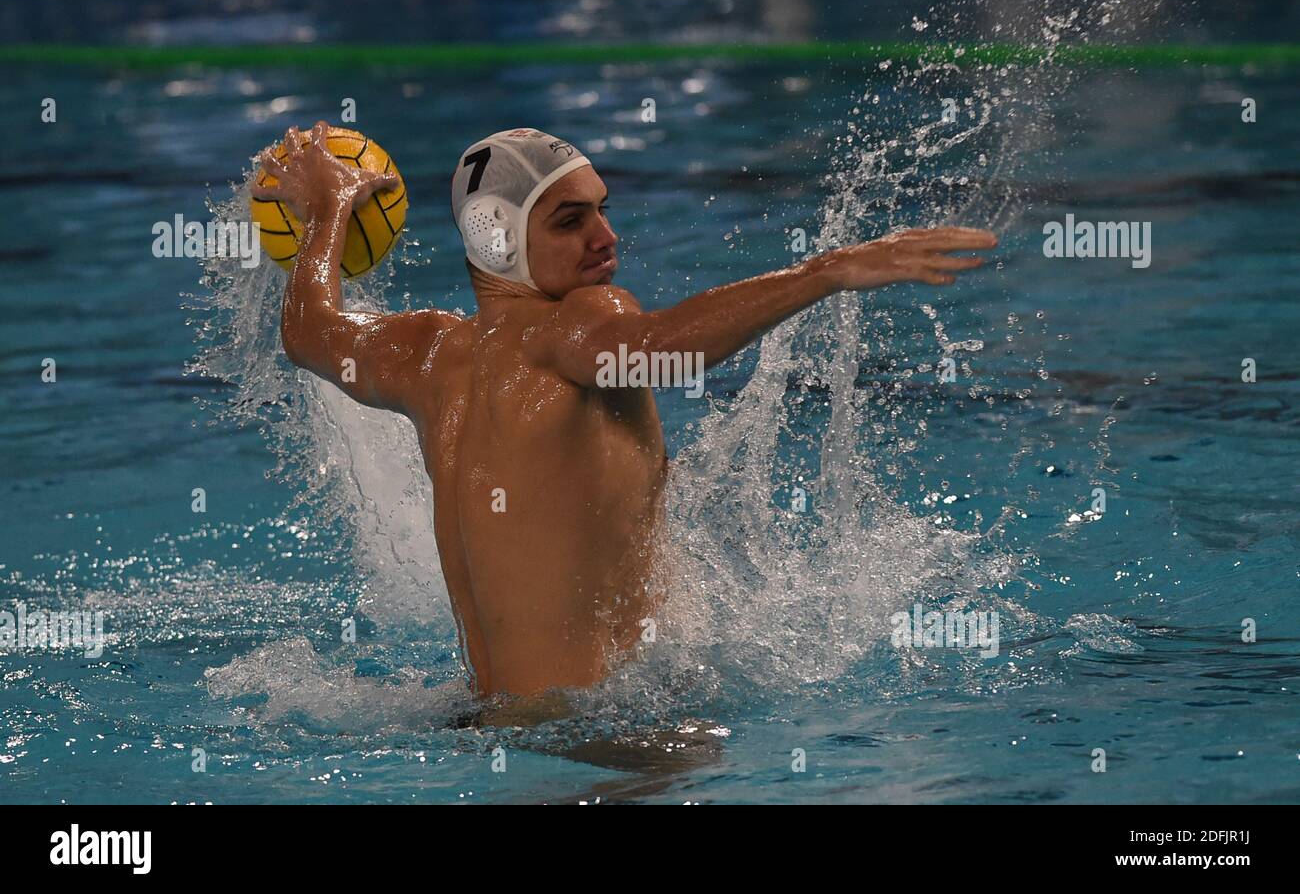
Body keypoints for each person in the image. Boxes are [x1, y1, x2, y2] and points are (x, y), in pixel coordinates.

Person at [254, 120, 995, 701]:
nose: (605, 238)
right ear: (494, 236)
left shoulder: (422, 354)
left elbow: (309, 330)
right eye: (571, 220)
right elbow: (660, 345)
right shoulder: (572, 325)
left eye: (603, 211)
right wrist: (823, 272)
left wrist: (327, 211)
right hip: (609, 746)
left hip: (482, 725)